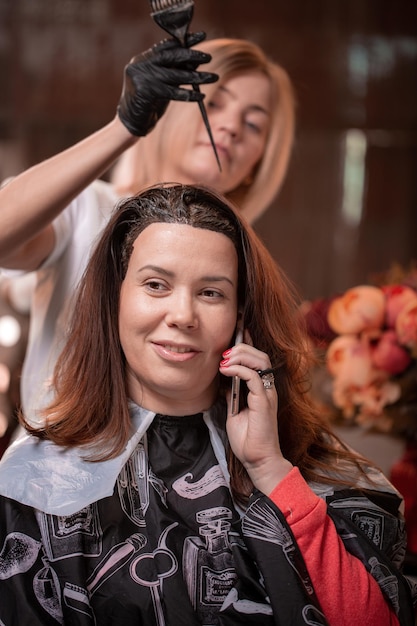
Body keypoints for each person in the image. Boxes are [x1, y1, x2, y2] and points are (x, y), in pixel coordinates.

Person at [0, 184, 415, 625]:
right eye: (156, 285)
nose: (182, 315)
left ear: (240, 316)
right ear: (115, 299)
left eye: (211, 293)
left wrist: (271, 469)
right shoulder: (35, 480)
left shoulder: (311, 467)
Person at [0, 34, 295, 426]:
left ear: (261, 157)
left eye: (254, 123)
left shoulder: (246, 263)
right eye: (215, 102)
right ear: (168, 108)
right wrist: (124, 127)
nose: (231, 127)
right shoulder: (85, 209)